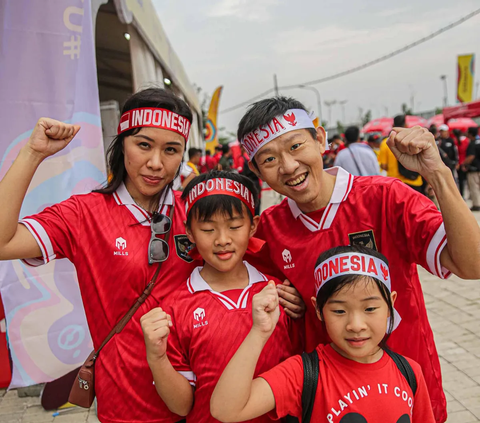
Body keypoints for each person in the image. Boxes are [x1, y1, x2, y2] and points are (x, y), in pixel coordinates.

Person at [237, 96, 480, 423]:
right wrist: (274, 292)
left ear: (320, 139)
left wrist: (438, 173)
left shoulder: (387, 197)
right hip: (328, 405)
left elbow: (472, 265)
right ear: (255, 169)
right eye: (269, 158)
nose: (288, 166)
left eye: (295, 146)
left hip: (408, 396)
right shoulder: (269, 228)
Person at [0, 88, 204, 423]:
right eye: (143, 145)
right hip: (125, 408)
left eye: (171, 150)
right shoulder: (84, 214)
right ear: (122, 143)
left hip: (201, 402)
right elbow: (3, 242)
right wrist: (32, 154)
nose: (156, 163)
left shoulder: (198, 215)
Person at [140, 171, 303, 422]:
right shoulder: (175, 307)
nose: (222, 240)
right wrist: (157, 357)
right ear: (190, 234)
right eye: (208, 229)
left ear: (253, 226)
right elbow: (182, 406)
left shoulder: (278, 294)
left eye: (234, 226)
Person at [211, 245, 436, 423]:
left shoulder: (409, 372)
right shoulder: (302, 374)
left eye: (370, 309)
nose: (356, 325)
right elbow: (226, 410)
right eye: (339, 311)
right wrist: (259, 332)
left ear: (390, 305)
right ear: (318, 310)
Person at [379, 115, 423, 193]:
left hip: (396, 184)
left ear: (393, 126)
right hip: (415, 182)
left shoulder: (386, 142)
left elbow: (383, 165)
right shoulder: (413, 140)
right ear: (406, 125)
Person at [463, 127, 480, 211]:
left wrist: (464, 163)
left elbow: (471, 156)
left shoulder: (472, 144)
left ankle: (476, 205)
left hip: (474, 170)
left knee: (474, 188)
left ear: (470, 133)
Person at [452, 129, 469, 198]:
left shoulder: (456, 141)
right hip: (465, 162)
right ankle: (462, 194)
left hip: (459, 163)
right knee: (463, 180)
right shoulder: (466, 141)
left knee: (459, 180)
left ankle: (460, 195)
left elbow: (456, 153)